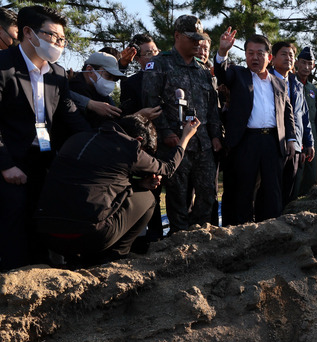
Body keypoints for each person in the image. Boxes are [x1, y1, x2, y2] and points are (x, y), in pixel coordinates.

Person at [34, 115, 200, 264]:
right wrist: (185, 136)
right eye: (145, 153)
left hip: (49, 235)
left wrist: (139, 184)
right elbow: (168, 168)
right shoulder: (129, 147)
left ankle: (76, 258)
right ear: (139, 139)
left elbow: (96, 183)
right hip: (88, 236)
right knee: (149, 199)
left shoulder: (77, 138)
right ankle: (115, 256)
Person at [0, 5, 91, 271]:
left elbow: (71, 117)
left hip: (43, 161)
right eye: (52, 36)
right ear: (28, 33)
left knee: (41, 225)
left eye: (62, 39)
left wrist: (101, 142)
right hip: (8, 164)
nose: (58, 44)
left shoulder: (58, 74)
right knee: (12, 230)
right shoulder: (3, 67)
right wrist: (5, 165)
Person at [142, 15, 223, 234]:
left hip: (203, 144)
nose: (198, 43)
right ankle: (179, 241)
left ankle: (199, 236)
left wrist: (216, 135)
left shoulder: (204, 71)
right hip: (175, 144)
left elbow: (213, 109)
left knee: (207, 194)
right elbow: (150, 103)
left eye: (200, 39)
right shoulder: (159, 64)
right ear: (177, 36)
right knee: (177, 197)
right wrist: (166, 132)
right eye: (192, 38)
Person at [214, 27, 297, 225]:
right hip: (245, 141)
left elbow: (288, 112)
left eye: (259, 53)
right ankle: (242, 230)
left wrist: (292, 139)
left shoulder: (279, 83)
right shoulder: (238, 75)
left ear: (269, 57)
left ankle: (270, 229)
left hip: (273, 142)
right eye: (250, 53)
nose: (254, 57)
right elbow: (221, 73)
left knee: (271, 190)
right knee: (244, 188)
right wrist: (223, 51)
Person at [269, 41, 314, 205]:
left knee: (289, 187)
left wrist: (308, 142)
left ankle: (284, 221)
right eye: (283, 54)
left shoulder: (297, 84)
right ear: (272, 58)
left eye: (291, 55)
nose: (288, 58)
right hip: (272, 142)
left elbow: (304, 116)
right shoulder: (265, 78)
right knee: (270, 188)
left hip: (295, 145)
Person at [69, 52, 126, 128]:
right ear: (90, 70)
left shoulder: (99, 92)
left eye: (114, 79)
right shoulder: (75, 88)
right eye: (108, 76)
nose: (111, 82)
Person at [294, 46, 317, 196]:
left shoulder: (312, 88)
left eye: (310, 64)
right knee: (295, 176)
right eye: (303, 62)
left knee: (311, 175)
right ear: (296, 63)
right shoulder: (289, 82)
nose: (306, 67)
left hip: (311, 136)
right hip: (295, 134)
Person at [119, 33, 160, 115]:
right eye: (149, 54)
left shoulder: (171, 75)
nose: (154, 56)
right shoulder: (130, 83)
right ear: (138, 58)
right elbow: (126, 117)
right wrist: (140, 115)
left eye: (156, 51)